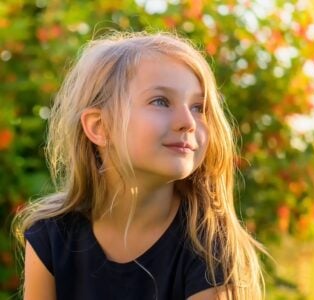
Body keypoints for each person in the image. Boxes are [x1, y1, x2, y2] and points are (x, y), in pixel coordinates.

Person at [13, 31, 266, 300]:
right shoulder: (52, 236)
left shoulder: (211, 245)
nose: (188, 122)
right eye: (161, 101)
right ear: (100, 127)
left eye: (198, 106)